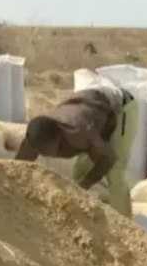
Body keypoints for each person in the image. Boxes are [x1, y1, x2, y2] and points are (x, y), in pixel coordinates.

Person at [14, 83, 138, 218]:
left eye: (48, 150)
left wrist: (82, 187)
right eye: (39, 150)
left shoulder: (79, 132)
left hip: (119, 107)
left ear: (59, 138)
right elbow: (17, 168)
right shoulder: (35, 137)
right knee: (80, 171)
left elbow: (108, 159)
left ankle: (125, 222)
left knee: (114, 173)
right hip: (92, 109)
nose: (43, 154)